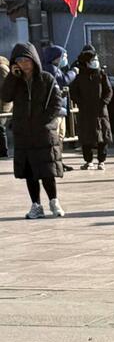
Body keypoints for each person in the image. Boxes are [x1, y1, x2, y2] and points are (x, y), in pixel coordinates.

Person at [3, 42, 65, 217]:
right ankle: (36, 205)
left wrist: (45, 121)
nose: (24, 64)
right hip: (24, 134)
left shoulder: (46, 79)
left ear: (34, 60)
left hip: (43, 133)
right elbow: (5, 96)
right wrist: (12, 77)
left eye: (26, 60)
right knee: (30, 173)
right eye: (19, 60)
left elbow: (56, 103)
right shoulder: (16, 81)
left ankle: (54, 201)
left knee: (47, 171)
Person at [70, 48, 113, 170]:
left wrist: (104, 102)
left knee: (102, 136)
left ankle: (101, 161)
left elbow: (109, 91)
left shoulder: (101, 75)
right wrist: (81, 103)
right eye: (93, 60)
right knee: (86, 137)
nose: (96, 62)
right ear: (86, 62)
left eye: (96, 59)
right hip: (86, 111)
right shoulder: (80, 77)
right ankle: (88, 161)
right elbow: (74, 92)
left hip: (100, 111)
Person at [0, 54, 9, 159]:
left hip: (3, 104)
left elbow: (5, 86)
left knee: (1, 127)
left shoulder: (2, 68)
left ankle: (4, 152)